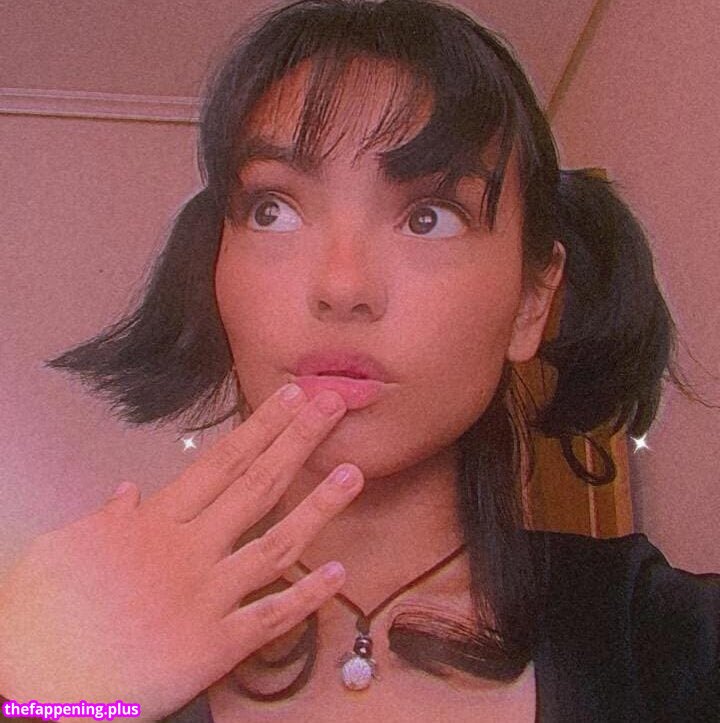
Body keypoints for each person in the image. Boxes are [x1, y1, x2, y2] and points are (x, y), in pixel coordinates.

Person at [1, 0, 718, 720]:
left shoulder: (676, 641)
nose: (342, 286)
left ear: (531, 301)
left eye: (429, 217)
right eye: (272, 209)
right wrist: (35, 704)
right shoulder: (68, 639)